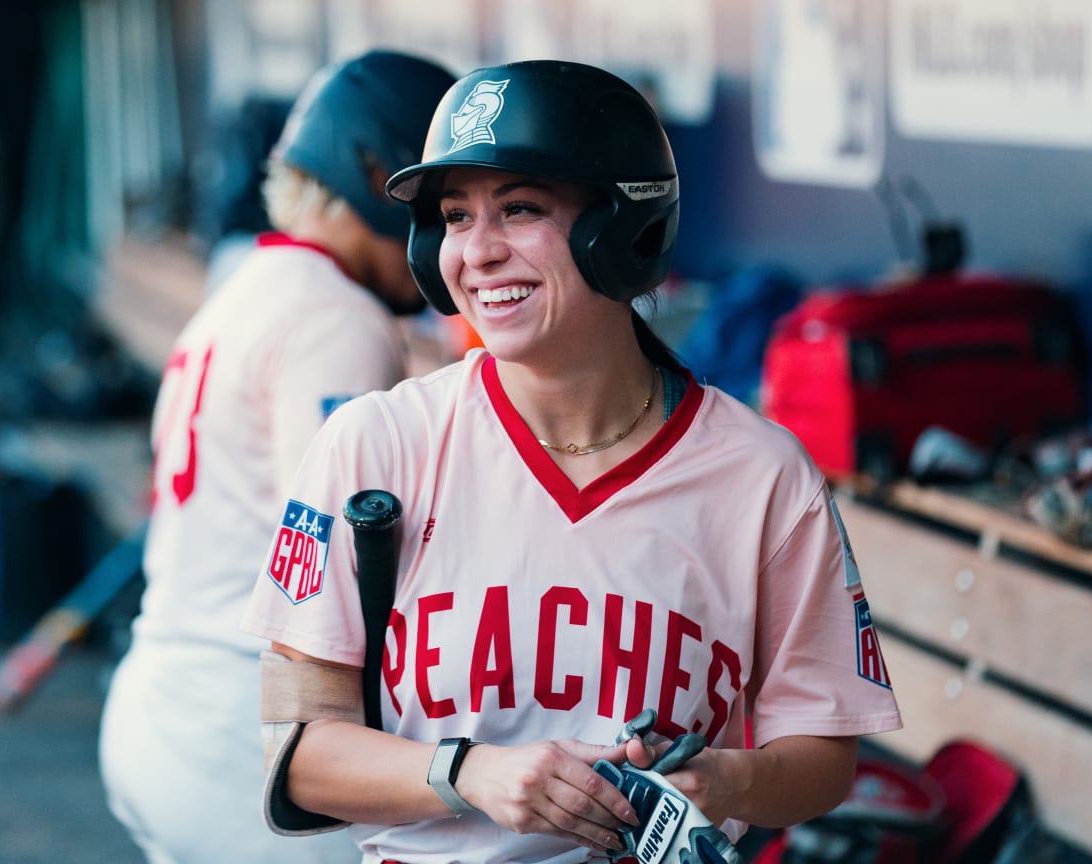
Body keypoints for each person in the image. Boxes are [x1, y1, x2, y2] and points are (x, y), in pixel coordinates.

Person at [240, 59, 902, 863]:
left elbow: (824, 756)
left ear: (622, 226)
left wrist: (727, 784)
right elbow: (299, 753)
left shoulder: (762, 476)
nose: (476, 251)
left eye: (519, 209)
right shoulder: (375, 444)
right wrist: (469, 774)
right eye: (454, 216)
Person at [97, 49, 457, 864]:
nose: (447, 227)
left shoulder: (259, 282)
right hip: (237, 722)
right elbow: (351, 557)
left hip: (162, 694)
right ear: (375, 174)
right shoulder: (338, 317)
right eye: (442, 200)